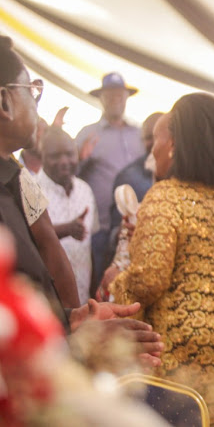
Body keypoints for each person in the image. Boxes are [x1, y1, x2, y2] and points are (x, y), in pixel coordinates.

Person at [0, 35, 162, 365]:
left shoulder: (14, 174)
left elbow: (46, 248)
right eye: (32, 91)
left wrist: (71, 320)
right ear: (4, 102)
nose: (37, 102)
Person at [110, 93, 214, 426]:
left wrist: (116, 284)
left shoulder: (164, 196)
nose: (152, 151)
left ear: (173, 143)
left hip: (178, 351)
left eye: (156, 141)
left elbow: (148, 280)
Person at [76, 72, 144, 294]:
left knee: (134, 285)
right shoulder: (88, 133)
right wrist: (80, 159)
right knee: (101, 286)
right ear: (101, 98)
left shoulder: (140, 133)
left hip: (137, 227)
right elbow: (70, 176)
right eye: (110, 95)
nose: (116, 99)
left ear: (126, 97)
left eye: (119, 95)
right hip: (102, 227)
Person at [36, 127, 98, 305]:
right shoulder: (30, 190)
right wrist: (65, 230)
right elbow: (29, 240)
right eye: (55, 156)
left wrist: (93, 293)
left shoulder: (85, 190)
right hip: (48, 302)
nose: (64, 161)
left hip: (83, 297)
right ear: (42, 157)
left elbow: (89, 246)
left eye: (70, 154)